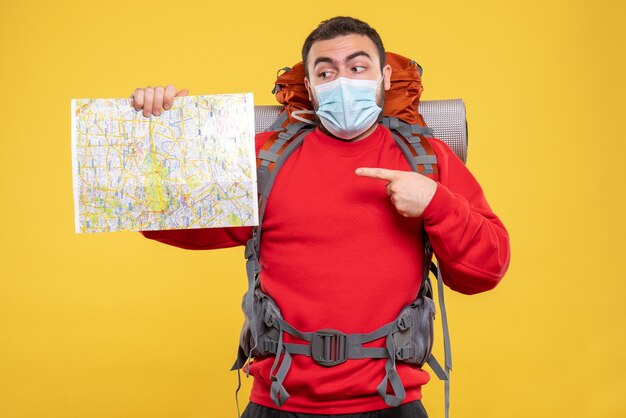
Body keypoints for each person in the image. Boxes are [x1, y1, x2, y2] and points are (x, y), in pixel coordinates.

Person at [131, 16, 510, 418]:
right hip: (277, 403)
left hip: (392, 402)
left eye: (357, 67)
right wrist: (155, 133)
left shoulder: (428, 160)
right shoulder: (263, 158)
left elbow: (486, 271)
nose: (342, 80)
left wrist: (436, 203)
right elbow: (160, 220)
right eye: (326, 71)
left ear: (383, 76)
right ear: (311, 87)